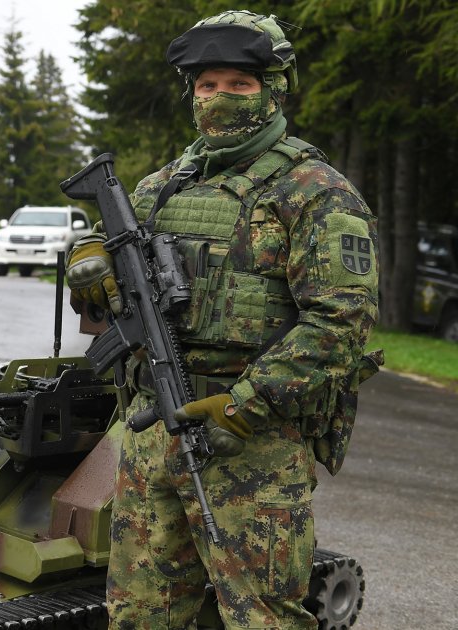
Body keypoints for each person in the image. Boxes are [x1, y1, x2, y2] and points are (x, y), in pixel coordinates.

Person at [66, 11, 379, 629]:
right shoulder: (159, 188)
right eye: (208, 86)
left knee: (259, 617)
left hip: (251, 447)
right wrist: (87, 261)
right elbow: (102, 269)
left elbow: (341, 326)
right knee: (137, 613)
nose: (220, 100)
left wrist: (243, 407)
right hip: (152, 428)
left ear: (274, 90)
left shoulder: (315, 192)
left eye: (239, 86)